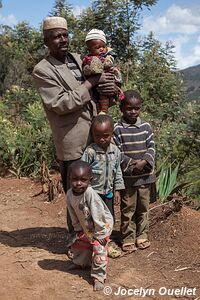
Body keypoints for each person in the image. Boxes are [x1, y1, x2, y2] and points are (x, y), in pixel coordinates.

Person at [32, 17, 117, 231]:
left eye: (64, 35)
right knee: (77, 195)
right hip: (73, 141)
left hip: (97, 136)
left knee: (99, 189)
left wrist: (109, 88)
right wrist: (91, 83)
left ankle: (101, 238)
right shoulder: (43, 70)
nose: (62, 40)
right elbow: (60, 103)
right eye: (56, 37)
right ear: (46, 41)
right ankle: (78, 242)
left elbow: (100, 87)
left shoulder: (81, 59)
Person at [113, 90, 156, 253]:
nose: (133, 112)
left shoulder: (145, 127)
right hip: (128, 178)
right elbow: (117, 152)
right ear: (121, 108)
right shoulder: (117, 129)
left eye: (136, 108)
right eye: (129, 108)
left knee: (143, 207)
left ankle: (142, 235)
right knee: (128, 208)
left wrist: (144, 161)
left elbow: (151, 147)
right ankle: (128, 237)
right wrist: (132, 164)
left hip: (145, 176)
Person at [66, 160, 113, 291]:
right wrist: (77, 229)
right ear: (69, 179)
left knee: (99, 248)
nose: (78, 183)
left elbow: (99, 215)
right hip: (86, 225)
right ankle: (81, 263)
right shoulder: (69, 194)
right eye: (74, 179)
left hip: (102, 225)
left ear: (90, 180)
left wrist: (101, 235)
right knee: (80, 243)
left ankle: (98, 276)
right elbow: (72, 213)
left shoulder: (90, 194)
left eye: (83, 179)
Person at [81, 114, 125, 257]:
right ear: (92, 134)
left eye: (106, 136)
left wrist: (117, 190)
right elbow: (83, 170)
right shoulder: (90, 151)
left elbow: (117, 171)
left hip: (108, 194)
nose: (102, 139)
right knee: (93, 219)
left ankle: (106, 243)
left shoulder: (115, 151)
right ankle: (91, 245)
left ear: (112, 134)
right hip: (94, 194)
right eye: (97, 135)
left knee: (108, 219)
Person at [82, 29, 124, 114]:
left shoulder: (108, 55)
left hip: (106, 79)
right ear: (90, 49)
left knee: (103, 94)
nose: (101, 49)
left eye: (103, 46)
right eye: (97, 47)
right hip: (95, 81)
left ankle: (104, 110)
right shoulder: (88, 58)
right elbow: (85, 67)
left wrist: (106, 64)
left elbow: (109, 62)